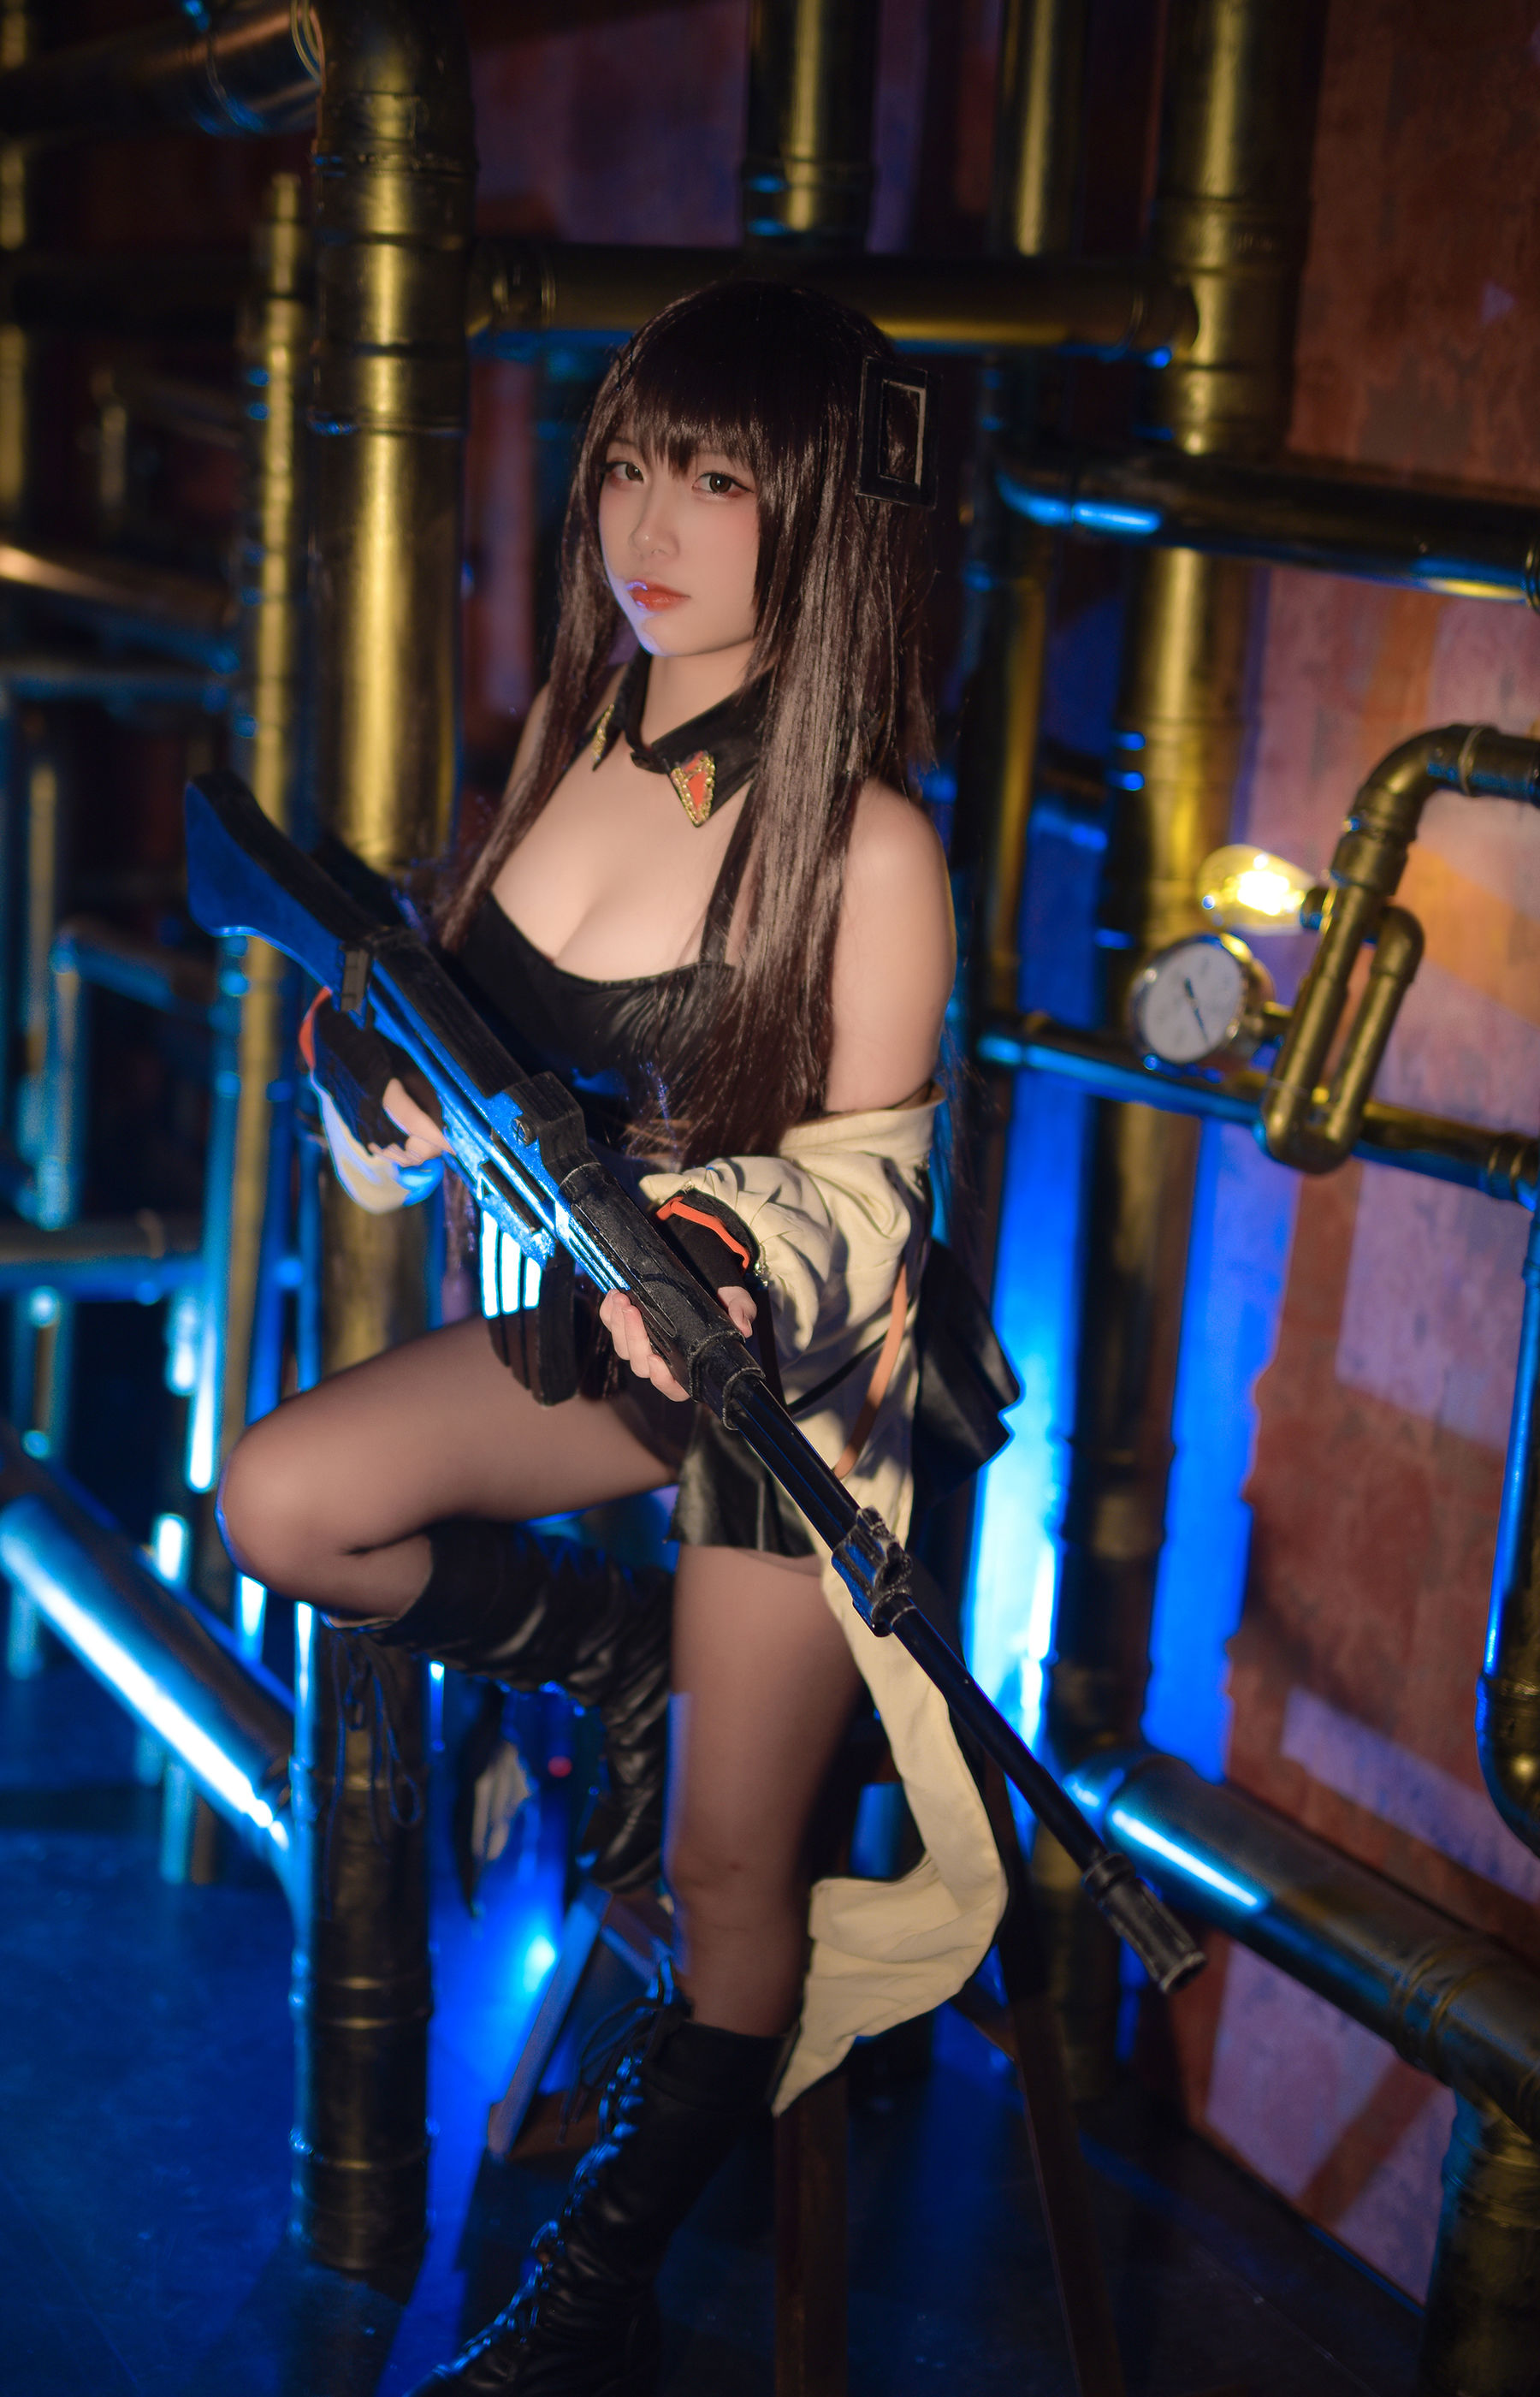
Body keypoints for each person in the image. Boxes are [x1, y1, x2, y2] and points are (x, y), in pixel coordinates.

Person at [219, 278, 1010, 2397]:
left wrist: (726, 1254)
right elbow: (440, 1065)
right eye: (632, 466)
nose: (647, 523)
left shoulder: (869, 846)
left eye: (718, 478)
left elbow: (870, 1197)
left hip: (795, 1396)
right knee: (282, 1500)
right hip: (596, 1340)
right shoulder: (572, 748)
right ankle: (620, 1653)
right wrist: (373, 1097)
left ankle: (579, 2314)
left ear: (817, 508)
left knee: (736, 1878)